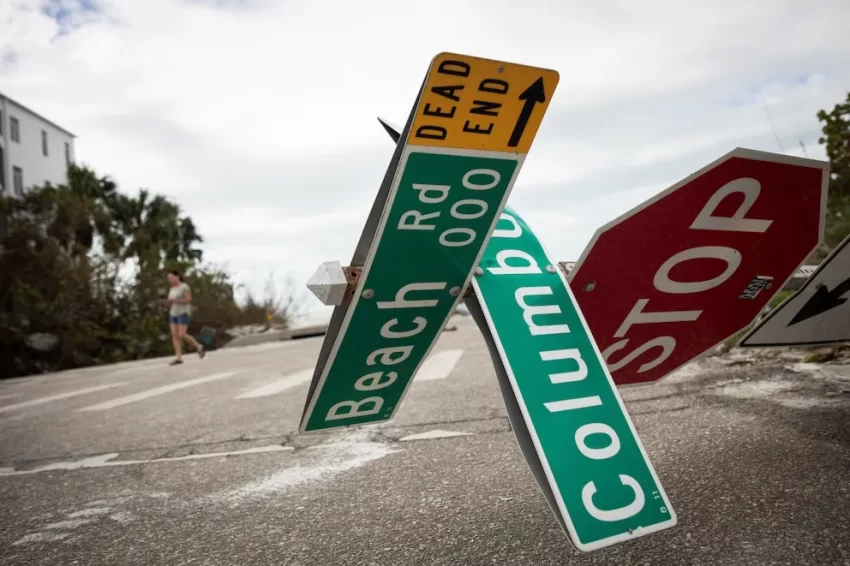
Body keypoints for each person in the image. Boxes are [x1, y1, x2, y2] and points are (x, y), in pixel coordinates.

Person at [165, 270, 205, 365]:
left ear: (177, 276)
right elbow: (171, 302)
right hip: (173, 313)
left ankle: (198, 346)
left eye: (171, 277)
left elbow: (188, 300)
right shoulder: (172, 289)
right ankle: (178, 357)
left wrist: (175, 300)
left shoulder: (184, 287)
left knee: (182, 335)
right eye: (168, 278)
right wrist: (168, 302)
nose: (170, 280)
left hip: (183, 313)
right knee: (175, 336)